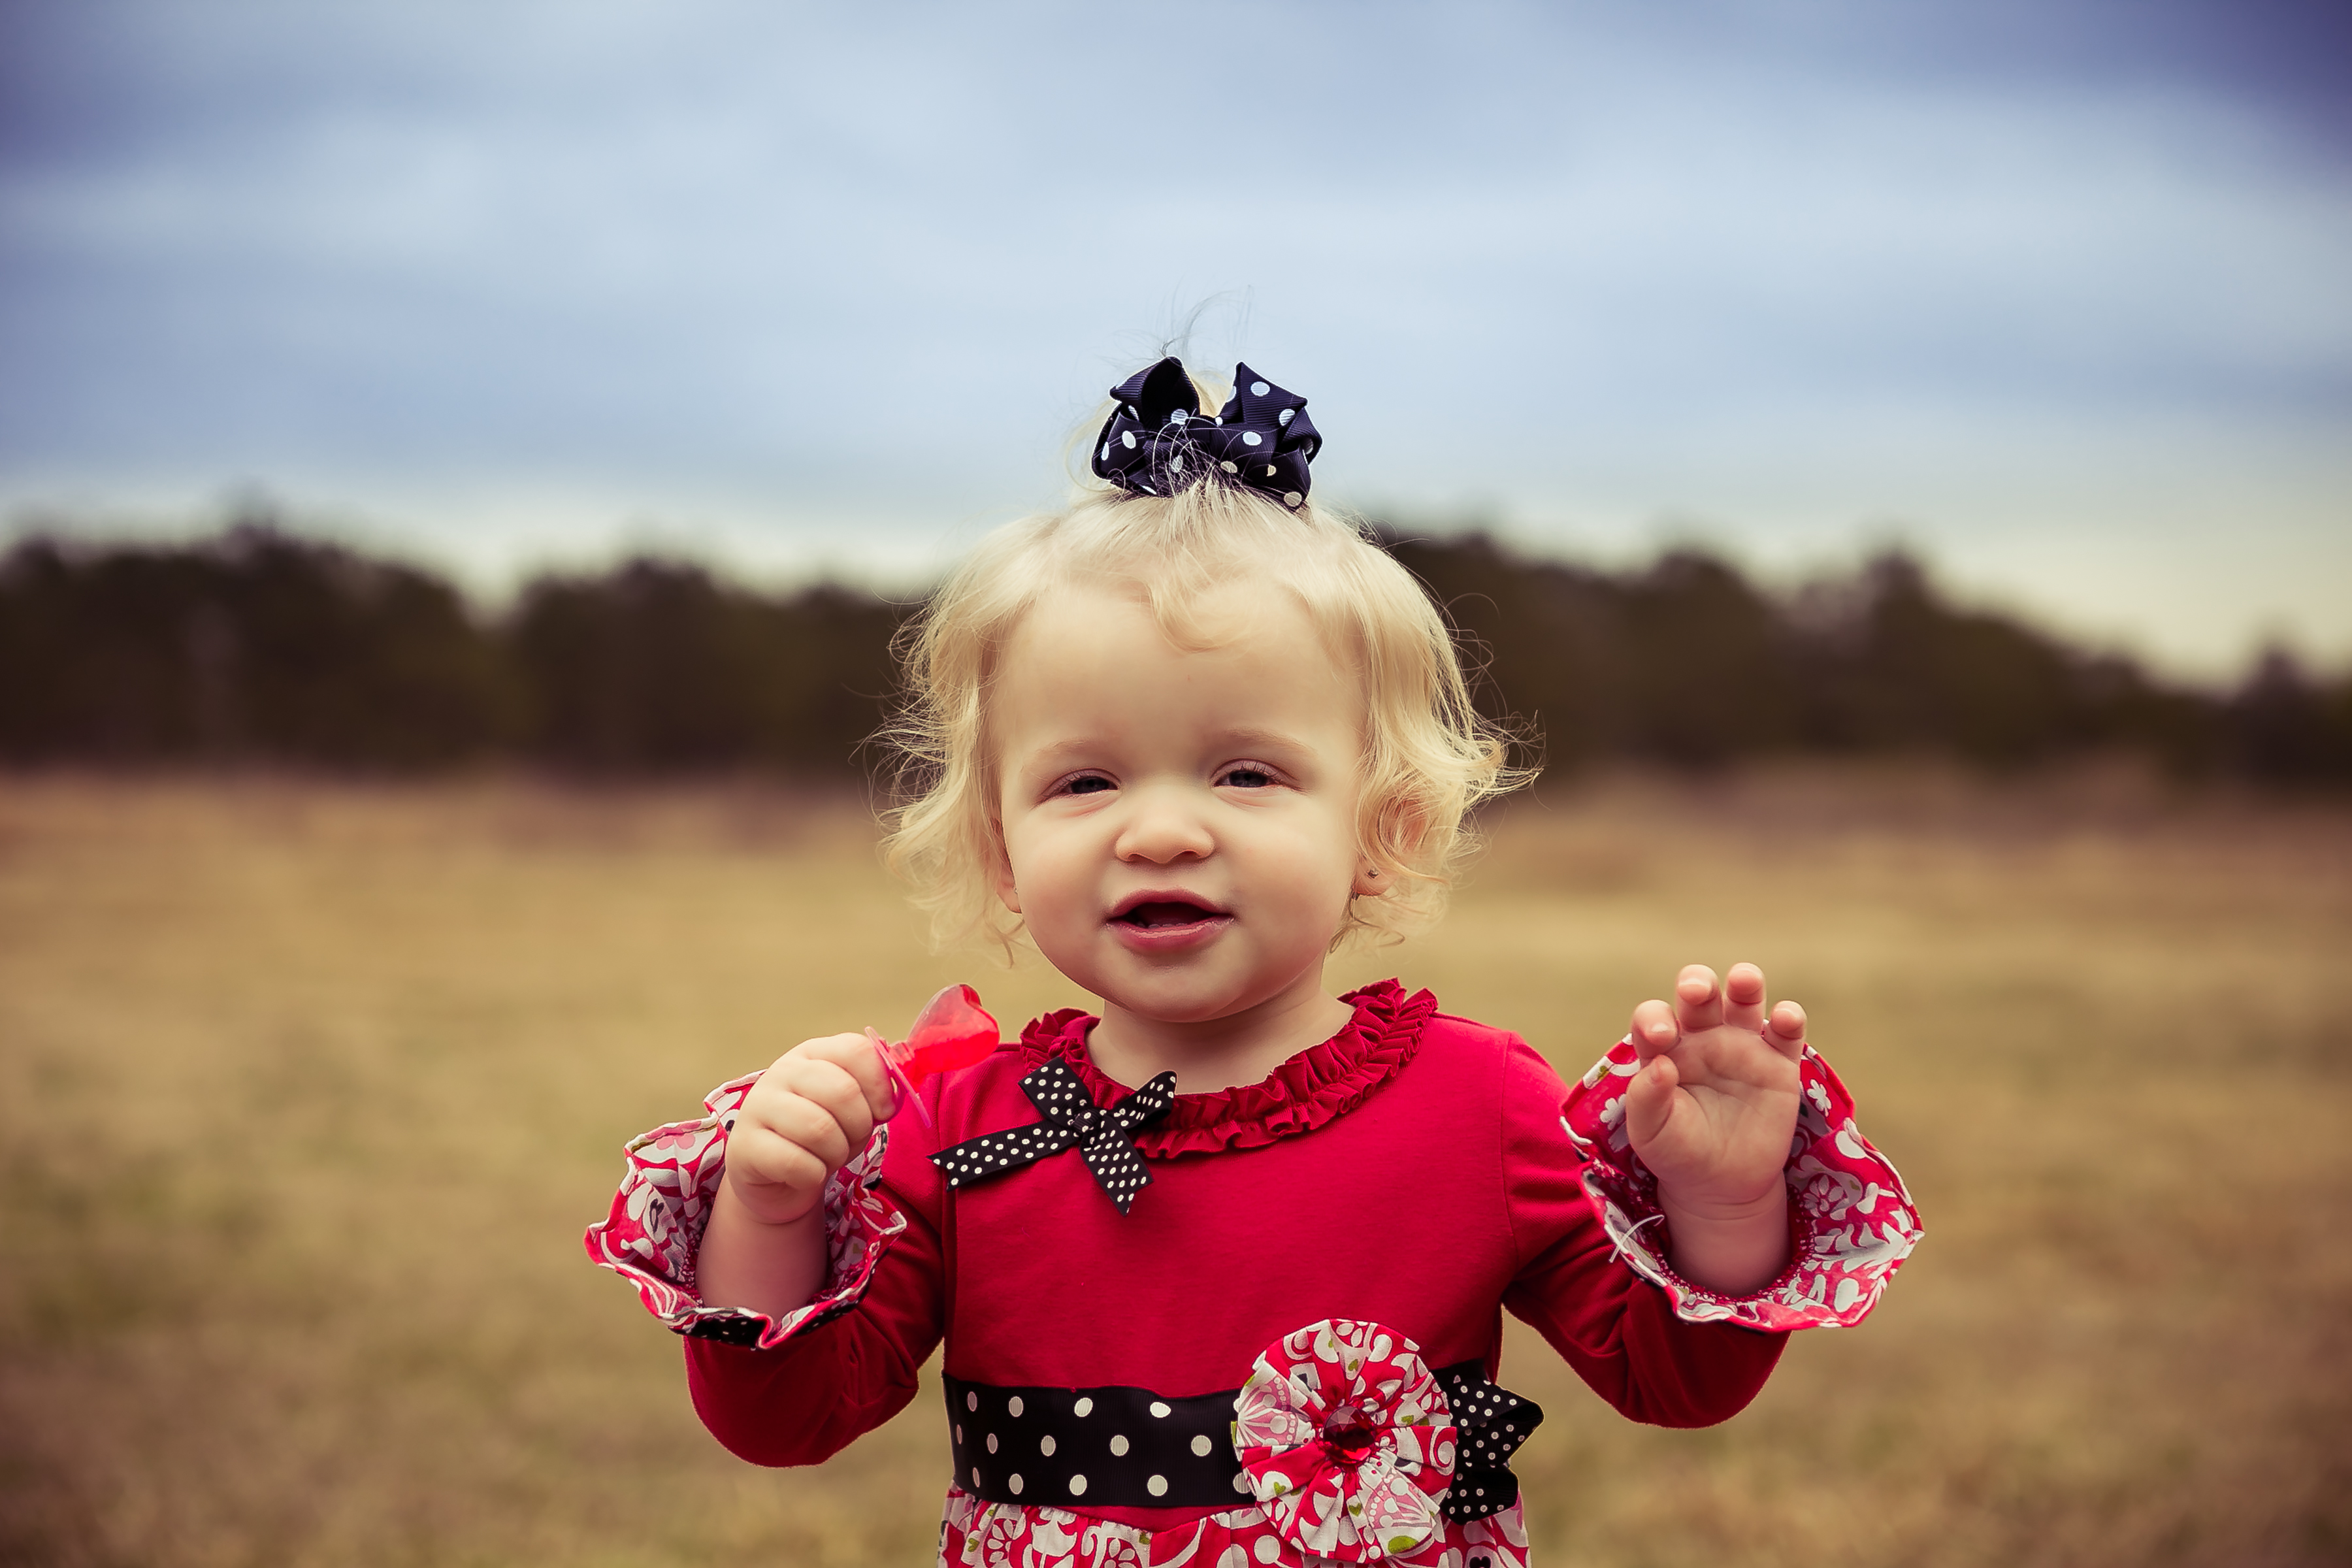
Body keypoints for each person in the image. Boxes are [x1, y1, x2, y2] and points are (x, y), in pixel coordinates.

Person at [586, 357, 1919, 1568]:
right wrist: (765, 1210)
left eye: (1247, 771)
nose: (1162, 829)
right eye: (1086, 780)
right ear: (1000, 846)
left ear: (1379, 829)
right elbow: (789, 1422)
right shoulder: (961, 1127)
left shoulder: (1479, 1109)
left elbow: (1670, 1383)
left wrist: (1725, 1209)